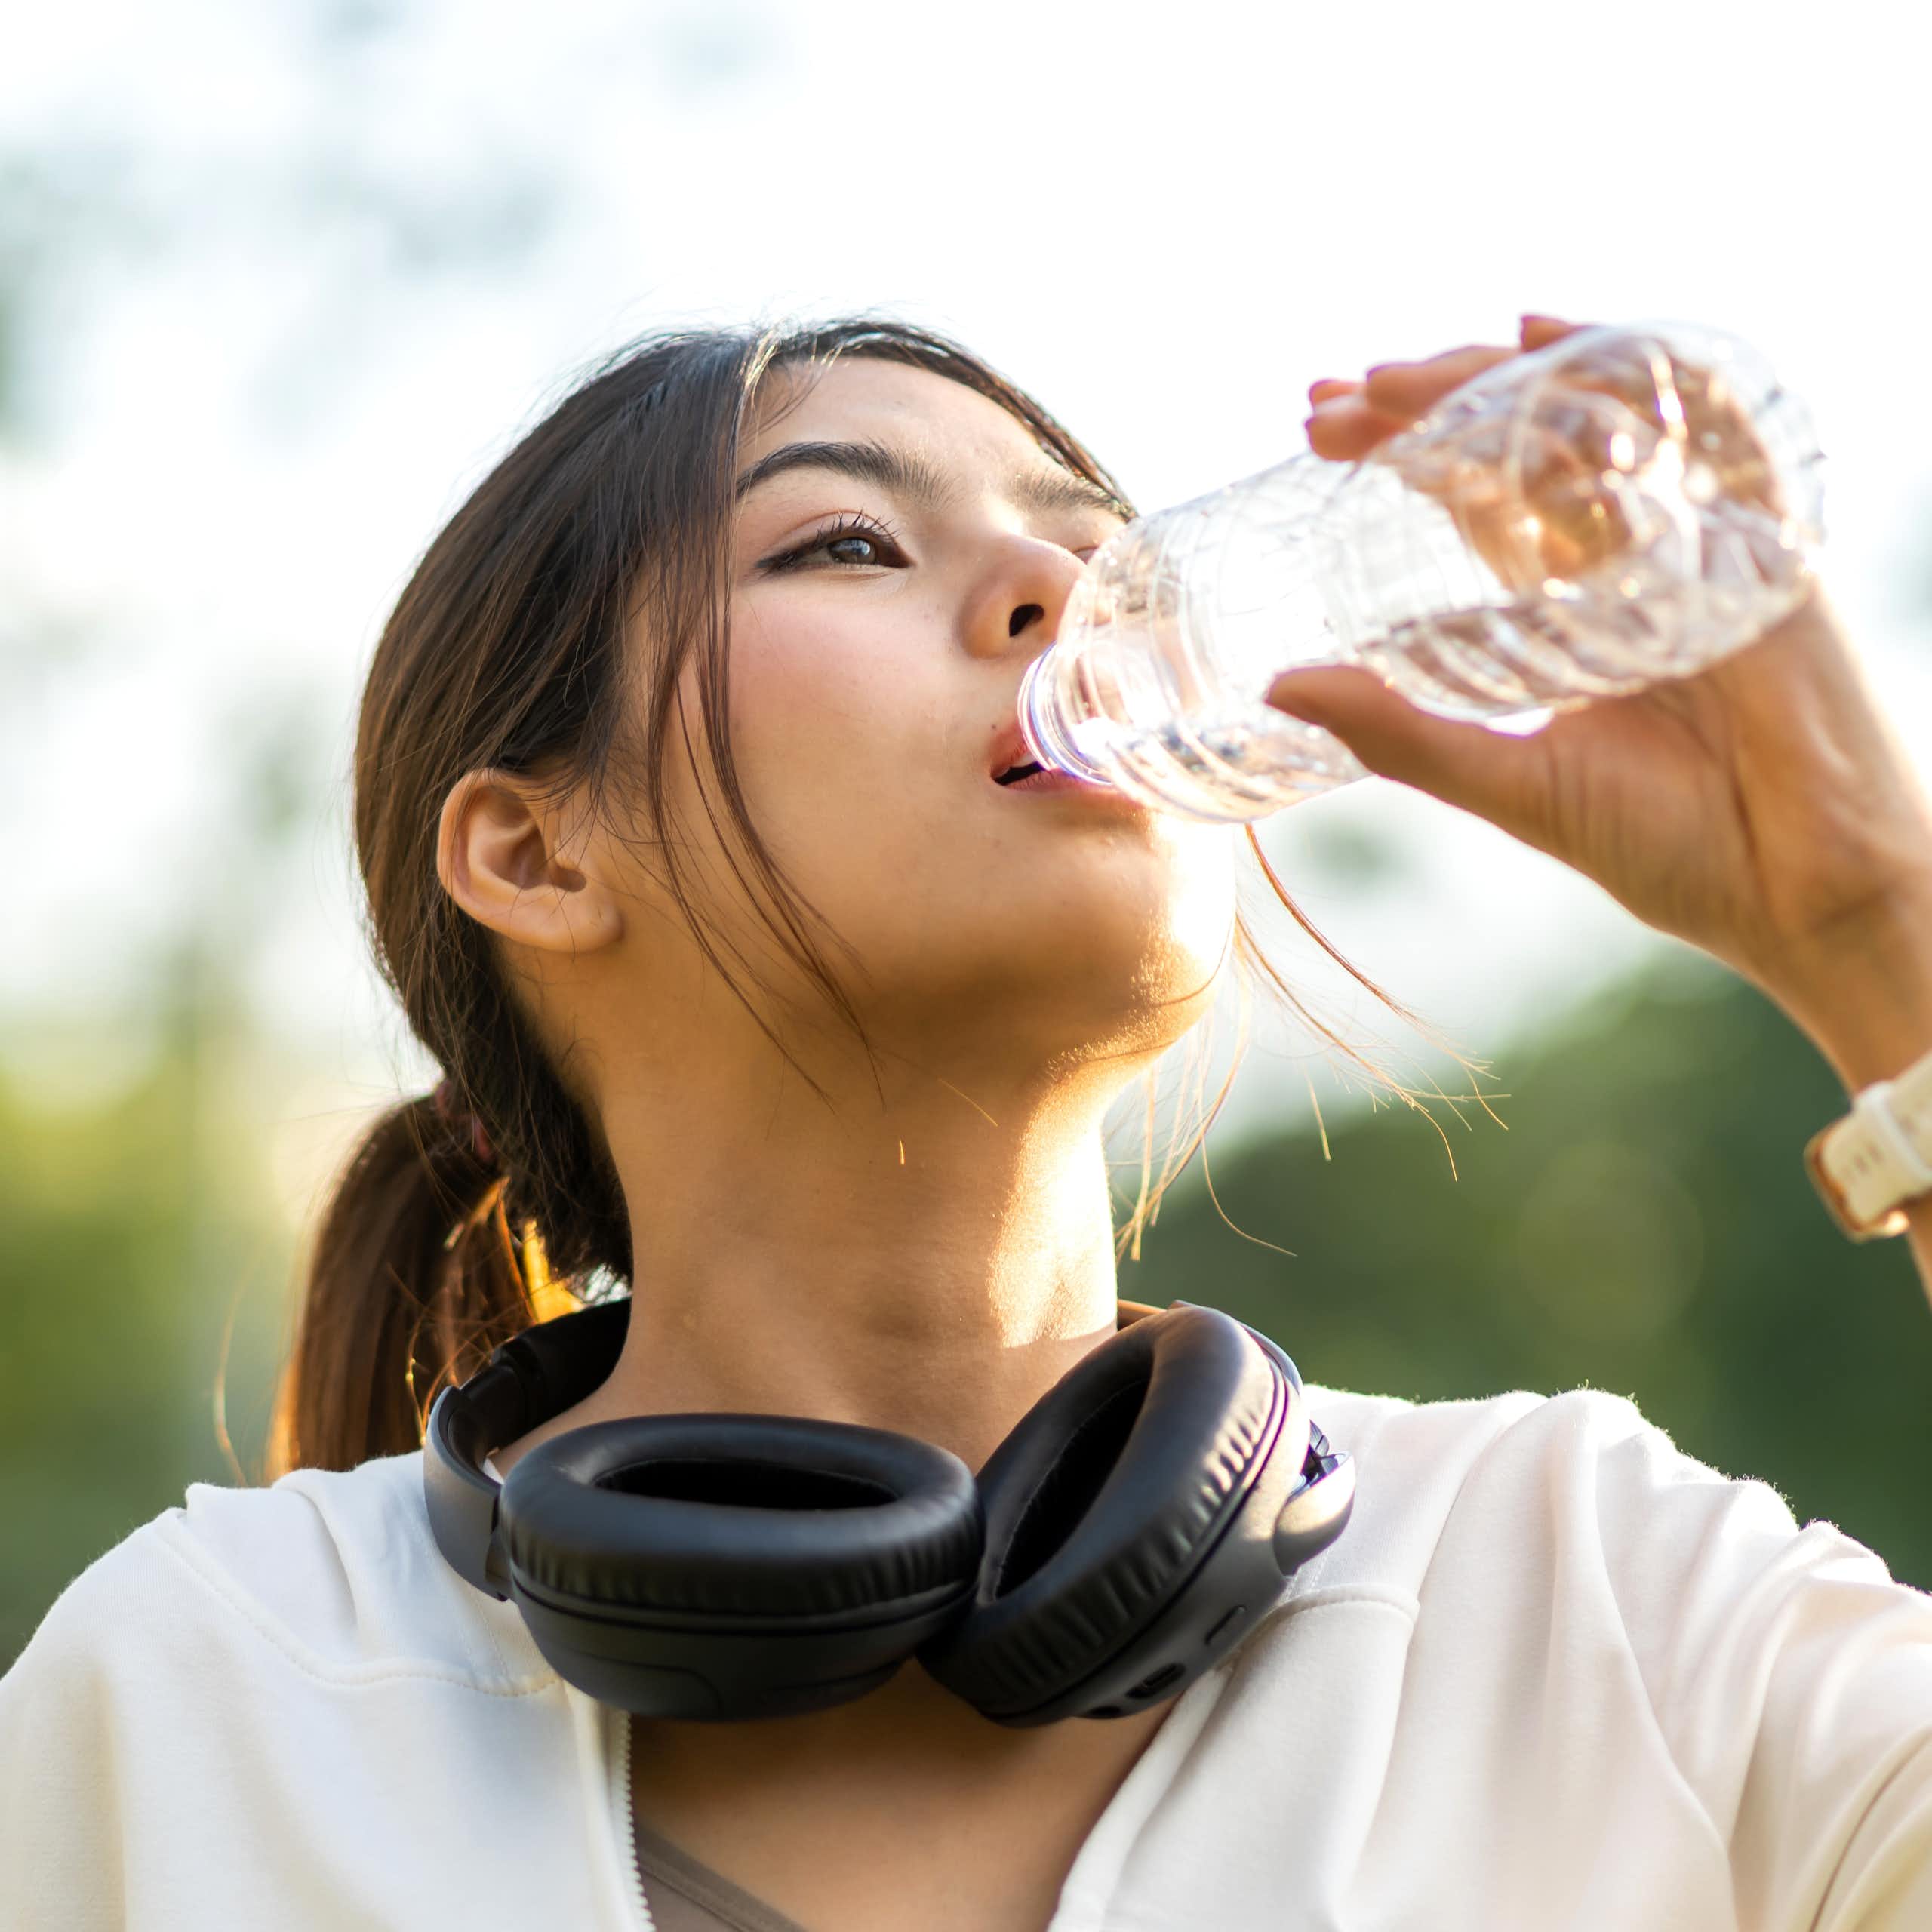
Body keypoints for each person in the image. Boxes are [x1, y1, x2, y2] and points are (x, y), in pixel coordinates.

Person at [3, 310, 1930, 1932]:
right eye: (843, 541)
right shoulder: (196, 1703)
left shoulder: (1590, 1591)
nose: (1057, 593)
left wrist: (1874, 928)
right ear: (533, 845)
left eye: (1089, 544)